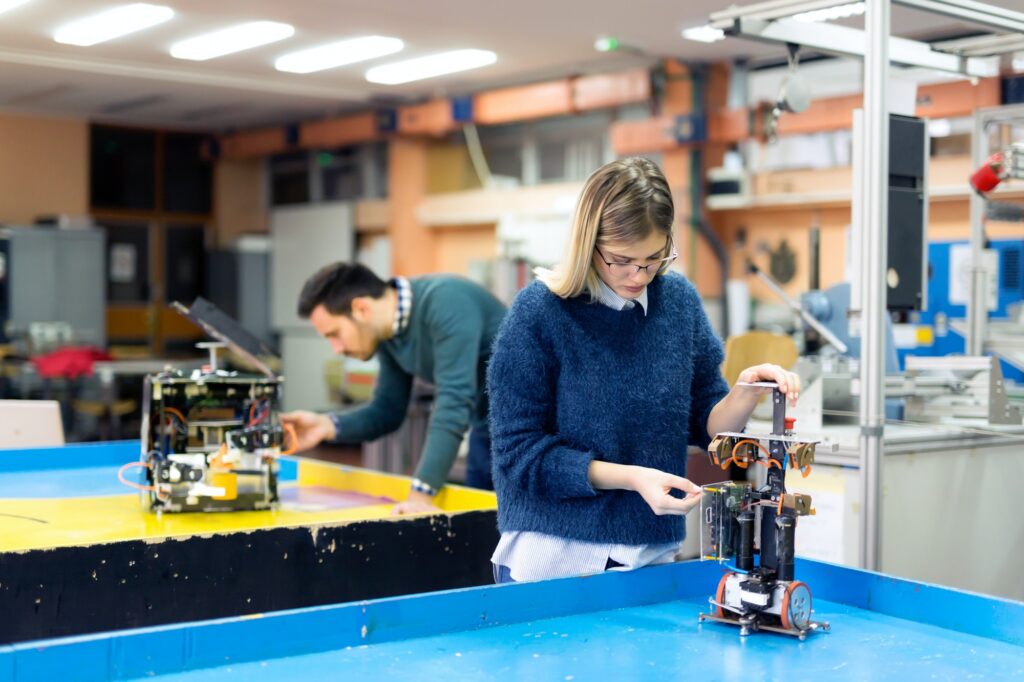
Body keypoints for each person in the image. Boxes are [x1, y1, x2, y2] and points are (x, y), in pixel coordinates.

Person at [486, 157, 800, 583]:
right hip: (554, 557)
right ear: (588, 243)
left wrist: (744, 392)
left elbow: (708, 426)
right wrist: (632, 479)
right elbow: (519, 454)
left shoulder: (678, 304)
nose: (638, 275)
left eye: (653, 258)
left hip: (647, 555)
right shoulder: (540, 313)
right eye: (621, 260)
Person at [282, 263, 507, 514]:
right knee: (484, 529)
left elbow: (454, 400)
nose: (337, 349)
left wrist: (421, 493)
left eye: (335, 334)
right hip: (487, 431)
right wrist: (326, 425)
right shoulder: (389, 335)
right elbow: (387, 410)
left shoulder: (445, 301)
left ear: (362, 309)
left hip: (529, 432)